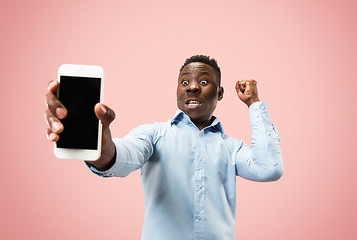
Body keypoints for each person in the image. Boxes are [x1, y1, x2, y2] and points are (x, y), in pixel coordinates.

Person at [45, 55, 284, 240]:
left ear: (220, 93)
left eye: (203, 81)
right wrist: (99, 141)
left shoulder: (232, 148)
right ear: (177, 92)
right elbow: (119, 157)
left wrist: (254, 103)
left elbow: (269, 168)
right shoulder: (153, 134)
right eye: (184, 82)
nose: (192, 87)